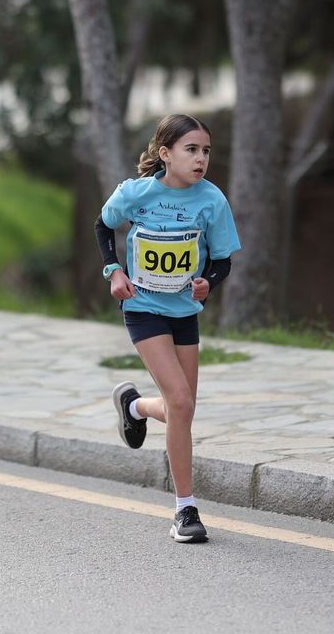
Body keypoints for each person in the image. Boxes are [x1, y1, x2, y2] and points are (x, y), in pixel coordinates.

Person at [96, 114, 240, 543]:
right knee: (180, 400)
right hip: (143, 308)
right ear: (166, 154)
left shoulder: (212, 200)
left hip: (184, 313)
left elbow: (223, 260)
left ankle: (135, 407)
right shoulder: (136, 193)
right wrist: (113, 271)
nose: (200, 159)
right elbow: (103, 225)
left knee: (183, 408)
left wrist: (207, 282)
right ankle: (185, 510)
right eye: (191, 150)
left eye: (206, 151)